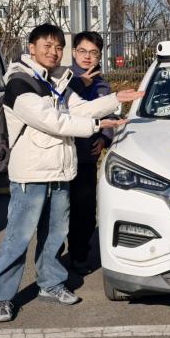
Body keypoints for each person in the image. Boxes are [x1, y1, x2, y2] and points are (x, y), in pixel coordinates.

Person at [0, 24, 143, 322]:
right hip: (31, 175)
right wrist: (97, 126)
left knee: (54, 235)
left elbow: (80, 108)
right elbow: (53, 121)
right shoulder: (20, 83)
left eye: (58, 47)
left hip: (61, 170)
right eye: (47, 46)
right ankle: (1, 296)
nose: (53, 52)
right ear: (31, 48)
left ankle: (50, 283)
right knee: (17, 238)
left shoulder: (56, 81)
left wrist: (115, 99)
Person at [66, 31, 111, 275]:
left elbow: (110, 116)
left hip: (85, 159)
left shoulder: (103, 85)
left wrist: (104, 139)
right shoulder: (61, 79)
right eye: (83, 51)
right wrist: (76, 84)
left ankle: (79, 256)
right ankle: (51, 262)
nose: (87, 57)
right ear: (73, 52)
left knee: (84, 211)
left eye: (94, 53)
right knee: (57, 213)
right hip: (61, 157)